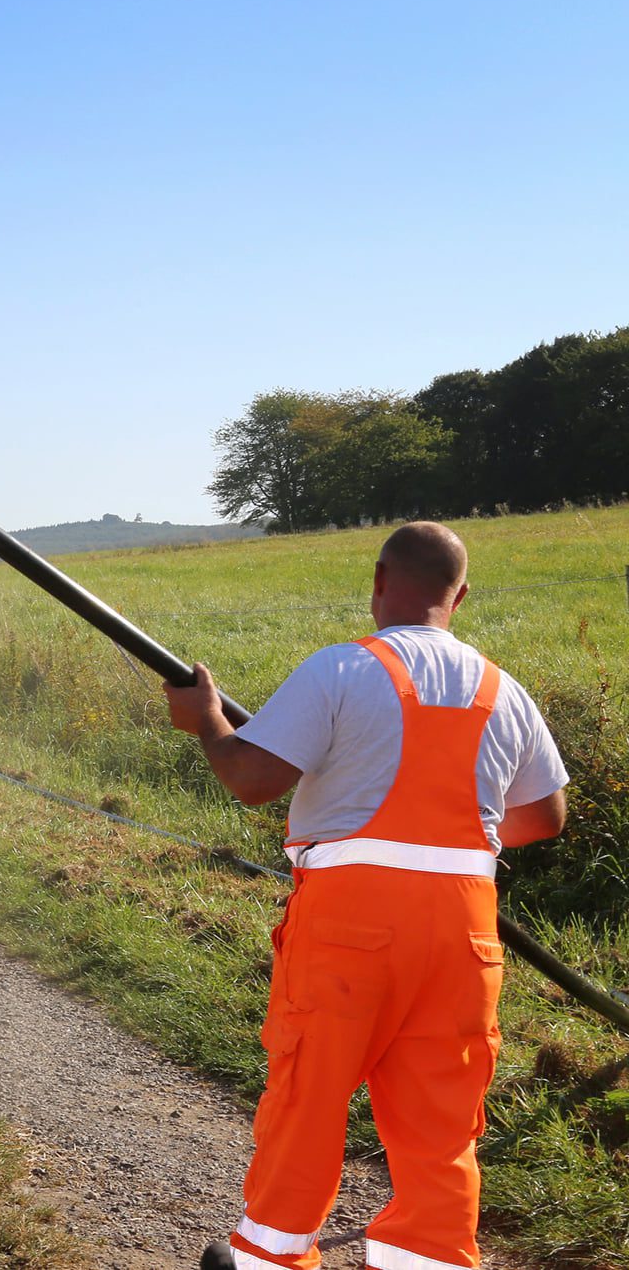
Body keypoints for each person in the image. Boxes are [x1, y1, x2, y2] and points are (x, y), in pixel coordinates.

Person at [164, 522, 568, 1270]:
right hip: (465, 930)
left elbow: (251, 779)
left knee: (310, 1096)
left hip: (352, 922)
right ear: (461, 595)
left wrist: (207, 720)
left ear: (380, 579)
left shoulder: (342, 669)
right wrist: (447, 842)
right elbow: (545, 815)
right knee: (441, 1121)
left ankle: (267, 1260)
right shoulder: (502, 688)